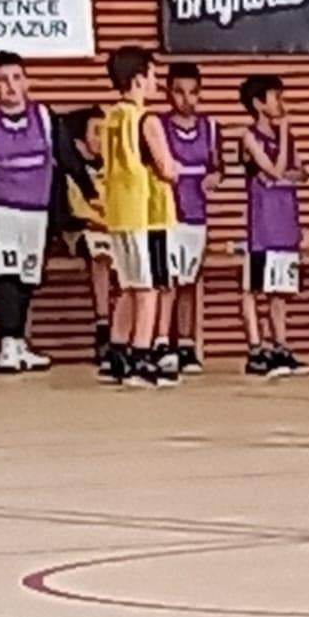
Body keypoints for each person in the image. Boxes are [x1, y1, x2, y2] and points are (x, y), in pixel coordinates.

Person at [0, 51, 98, 372]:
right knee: (6, 275)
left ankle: (18, 340)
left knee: (28, 276)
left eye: (16, 78)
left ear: (27, 82)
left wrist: (91, 192)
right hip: (0, 210)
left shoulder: (46, 118)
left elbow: (68, 157)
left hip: (37, 209)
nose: (10, 86)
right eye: (2, 80)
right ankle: (7, 343)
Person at [100, 46, 181, 389]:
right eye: (152, 74)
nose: (156, 81)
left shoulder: (111, 118)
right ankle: (141, 357)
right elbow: (166, 168)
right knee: (148, 289)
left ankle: (117, 354)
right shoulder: (146, 120)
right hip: (147, 213)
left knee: (129, 286)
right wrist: (177, 169)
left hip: (118, 212)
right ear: (138, 79)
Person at [238, 75, 309, 379]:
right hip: (262, 228)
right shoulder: (249, 136)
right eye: (275, 97)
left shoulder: (286, 137)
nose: (281, 103)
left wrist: (283, 170)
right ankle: (255, 348)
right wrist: (282, 142)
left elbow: (301, 172)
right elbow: (276, 170)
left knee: (280, 291)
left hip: (286, 222)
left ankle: (280, 346)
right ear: (258, 103)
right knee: (255, 288)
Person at [154, 62, 222, 377]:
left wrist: (214, 178)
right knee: (166, 281)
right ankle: (161, 342)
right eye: (179, 92)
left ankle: (185, 343)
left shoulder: (211, 128)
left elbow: (218, 167)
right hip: (167, 214)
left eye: (193, 92)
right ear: (169, 93)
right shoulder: (158, 126)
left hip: (196, 214)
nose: (186, 99)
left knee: (188, 281)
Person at [60, 106, 114, 363]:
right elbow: (64, 215)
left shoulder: (115, 168)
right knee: (100, 255)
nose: (102, 138)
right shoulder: (68, 170)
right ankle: (103, 327)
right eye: (96, 132)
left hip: (114, 230)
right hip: (80, 231)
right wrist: (91, 223)